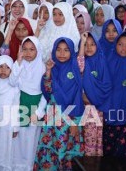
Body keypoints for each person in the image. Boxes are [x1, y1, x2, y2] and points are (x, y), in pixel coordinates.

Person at [36, 37, 84, 170]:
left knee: (65, 149)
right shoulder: (53, 68)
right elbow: (47, 91)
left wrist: (75, 123)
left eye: (66, 50)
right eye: (58, 50)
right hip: (52, 116)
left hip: (69, 118)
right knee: (50, 149)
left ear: (71, 52)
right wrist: (49, 70)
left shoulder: (75, 70)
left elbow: (78, 98)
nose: (62, 53)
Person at [9, 36, 47, 170]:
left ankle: (28, 167)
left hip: (35, 107)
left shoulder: (42, 68)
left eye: (32, 49)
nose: (28, 53)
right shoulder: (20, 64)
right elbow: (12, 82)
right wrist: (18, 62)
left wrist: (38, 112)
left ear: (38, 50)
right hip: (20, 104)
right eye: (24, 49)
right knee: (17, 139)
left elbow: (46, 94)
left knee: (31, 140)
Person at [103, 32, 126, 156]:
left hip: (125, 117)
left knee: (121, 153)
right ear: (115, 45)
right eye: (120, 44)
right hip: (108, 115)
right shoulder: (108, 61)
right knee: (107, 150)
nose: (123, 48)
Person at [80, 32, 111, 156]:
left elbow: (107, 85)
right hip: (83, 106)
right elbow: (79, 66)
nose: (89, 47)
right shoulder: (82, 63)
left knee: (95, 138)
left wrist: (94, 97)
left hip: (97, 107)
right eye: (85, 45)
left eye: (92, 44)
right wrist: (82, 43)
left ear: (98, 45)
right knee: (85, 139)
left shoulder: (101, 61)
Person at [0, 55, 20, 171]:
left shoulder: (14, 87)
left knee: (5, 145)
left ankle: (3, 167)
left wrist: (15, 127)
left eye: (7, 67)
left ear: (12, 70)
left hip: (8, 122)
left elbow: (16, 107)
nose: (3, 70)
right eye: (0, 66)